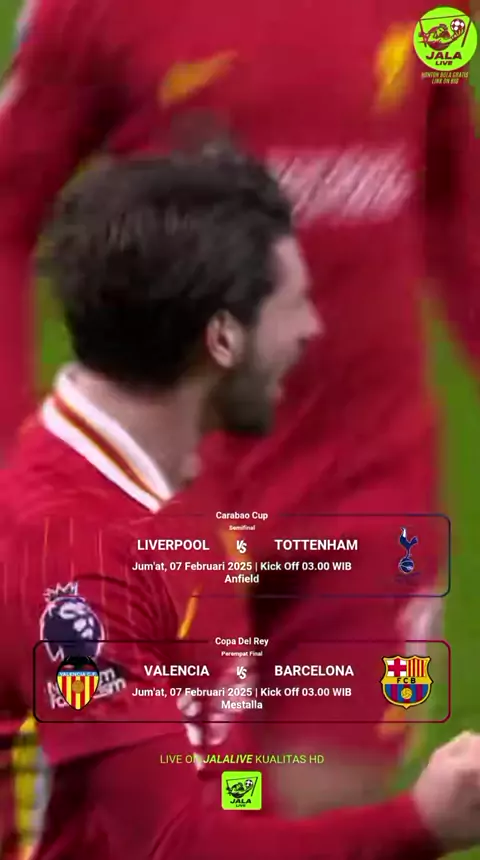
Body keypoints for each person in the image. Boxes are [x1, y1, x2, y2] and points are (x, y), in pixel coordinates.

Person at [0, 0, 478, 837]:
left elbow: (452, 191)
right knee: (197, 807)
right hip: (179, 487)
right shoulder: (96, 12)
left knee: (319, 796)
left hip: (370, 484)